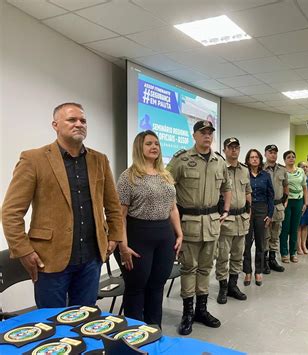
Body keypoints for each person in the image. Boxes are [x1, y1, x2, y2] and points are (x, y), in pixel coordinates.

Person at [1, 102, 123, 308]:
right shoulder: (34, 159)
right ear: (55, 124)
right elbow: (11, 212)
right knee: (52, 323)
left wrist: (115, 236)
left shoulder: (99, 160)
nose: (79, 124)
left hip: (91, 259)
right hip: (49, 259)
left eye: (83, 120)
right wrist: (23, 250)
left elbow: (112, 205)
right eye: (71, 120)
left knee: (85, 319)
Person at [167, 120, 231, 336]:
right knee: (188, 268)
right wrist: (172, 216)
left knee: (205, 268)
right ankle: (187, 313)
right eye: (202, 132)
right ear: (194, 135)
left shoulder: (219, 162)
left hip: (212, 223)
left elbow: (226, 188)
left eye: (210, 132)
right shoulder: (181, 159)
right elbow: (167, 187)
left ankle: (202, 311)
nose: (207, 136)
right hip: (189, 223)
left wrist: (227, 209)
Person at [116, 130, 183, 327]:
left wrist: (179, 233)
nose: (154, 147)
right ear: (139, 147)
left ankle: (155, 330)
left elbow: (173, 208)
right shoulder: (128, 177)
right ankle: (134, 335)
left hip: (164, 236)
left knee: (157, 286)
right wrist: (123, 247)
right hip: (138, 236)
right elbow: (120, 216)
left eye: (156, 143)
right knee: (136, 288)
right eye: (148, 144)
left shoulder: (166, 175)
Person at [215, 137, 251, 304]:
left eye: (236, 147)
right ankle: (222, 287)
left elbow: (247, 192)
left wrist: (249, 211)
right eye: (230, 147)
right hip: (226, 219)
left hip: (242, 219)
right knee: (223, 256)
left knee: (238, 255)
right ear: (224, 150)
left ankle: (233, 286)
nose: (234, 150)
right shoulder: (219, 168)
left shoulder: (245, 170)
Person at [243, 149, 274, 286]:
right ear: (248, 160)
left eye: (256, 157)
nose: (254, 159)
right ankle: (248, 272)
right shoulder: (244, 174)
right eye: (251, 157)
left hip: (262, 209)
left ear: (260, 159)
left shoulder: (266, 175)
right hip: (247, 209)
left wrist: (270, 214)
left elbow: (271, 196)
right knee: (247, 243)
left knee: (261, 243)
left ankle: (258, 271)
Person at [263, 144, 288, 274]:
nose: (273, 154)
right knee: (265, 235)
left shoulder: (282, 170)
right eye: (270, 152)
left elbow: (285, 187)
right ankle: (264, 261)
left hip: (278, 206)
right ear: (265, 154)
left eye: (275, 152)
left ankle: (273, 259)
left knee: (275, 234)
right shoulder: (261, 168)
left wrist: (284, 201)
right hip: (265, 207)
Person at [279, 151, 308, 263]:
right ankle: (284, 253)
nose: (291, 159)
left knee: (295, 228)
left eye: (293, 157)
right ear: (284, 159)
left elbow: (304, 187)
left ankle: (293, 252)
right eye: (288, 157)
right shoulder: (282, 171)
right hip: (286, 202)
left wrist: (306, 203)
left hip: (298, 201)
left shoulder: (300, 171)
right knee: (285, 228)